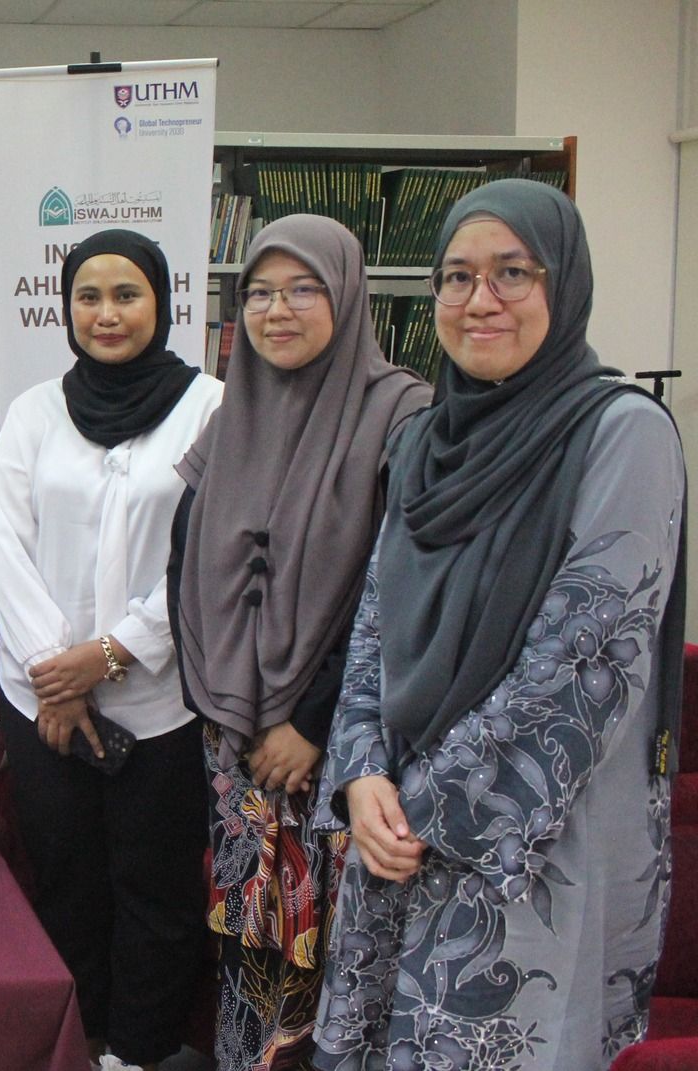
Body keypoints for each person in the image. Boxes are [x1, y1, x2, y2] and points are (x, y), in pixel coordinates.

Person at [311, 180, 685, 1069]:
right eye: (457, 276)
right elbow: (375, 626)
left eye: (513, 273)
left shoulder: (623, 434)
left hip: (539, 840)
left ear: (565, 284)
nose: (480, 300)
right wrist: (361, 775)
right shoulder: (423, 442)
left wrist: (416, 807)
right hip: (395, 828)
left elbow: (585, 659)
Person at [168, 215, 431, 1071]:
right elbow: (186, 562)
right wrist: (218, 698)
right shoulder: (231, 414)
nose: (276, 311)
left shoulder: (401, 415)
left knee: (335, 957)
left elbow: (393, 591)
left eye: (302, 289)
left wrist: (311, 720)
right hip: (233, 741)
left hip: (340, 753)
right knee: (248, 952)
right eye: (258, 293)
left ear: (347, 294)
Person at [0, 228, 223, 1071]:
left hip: (162, 700)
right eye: (88, 296)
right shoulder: (34, 411)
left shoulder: (213, 408)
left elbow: (211, 554)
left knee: (157, 890)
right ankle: (76, 1048)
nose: (106, 313)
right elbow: (2, 544)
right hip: (42, 701)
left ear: (163, 303)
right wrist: (59, 675)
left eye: (126, 295)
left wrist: (113, 653)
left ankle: (143, 1053)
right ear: (66, 307)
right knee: (67, 880)